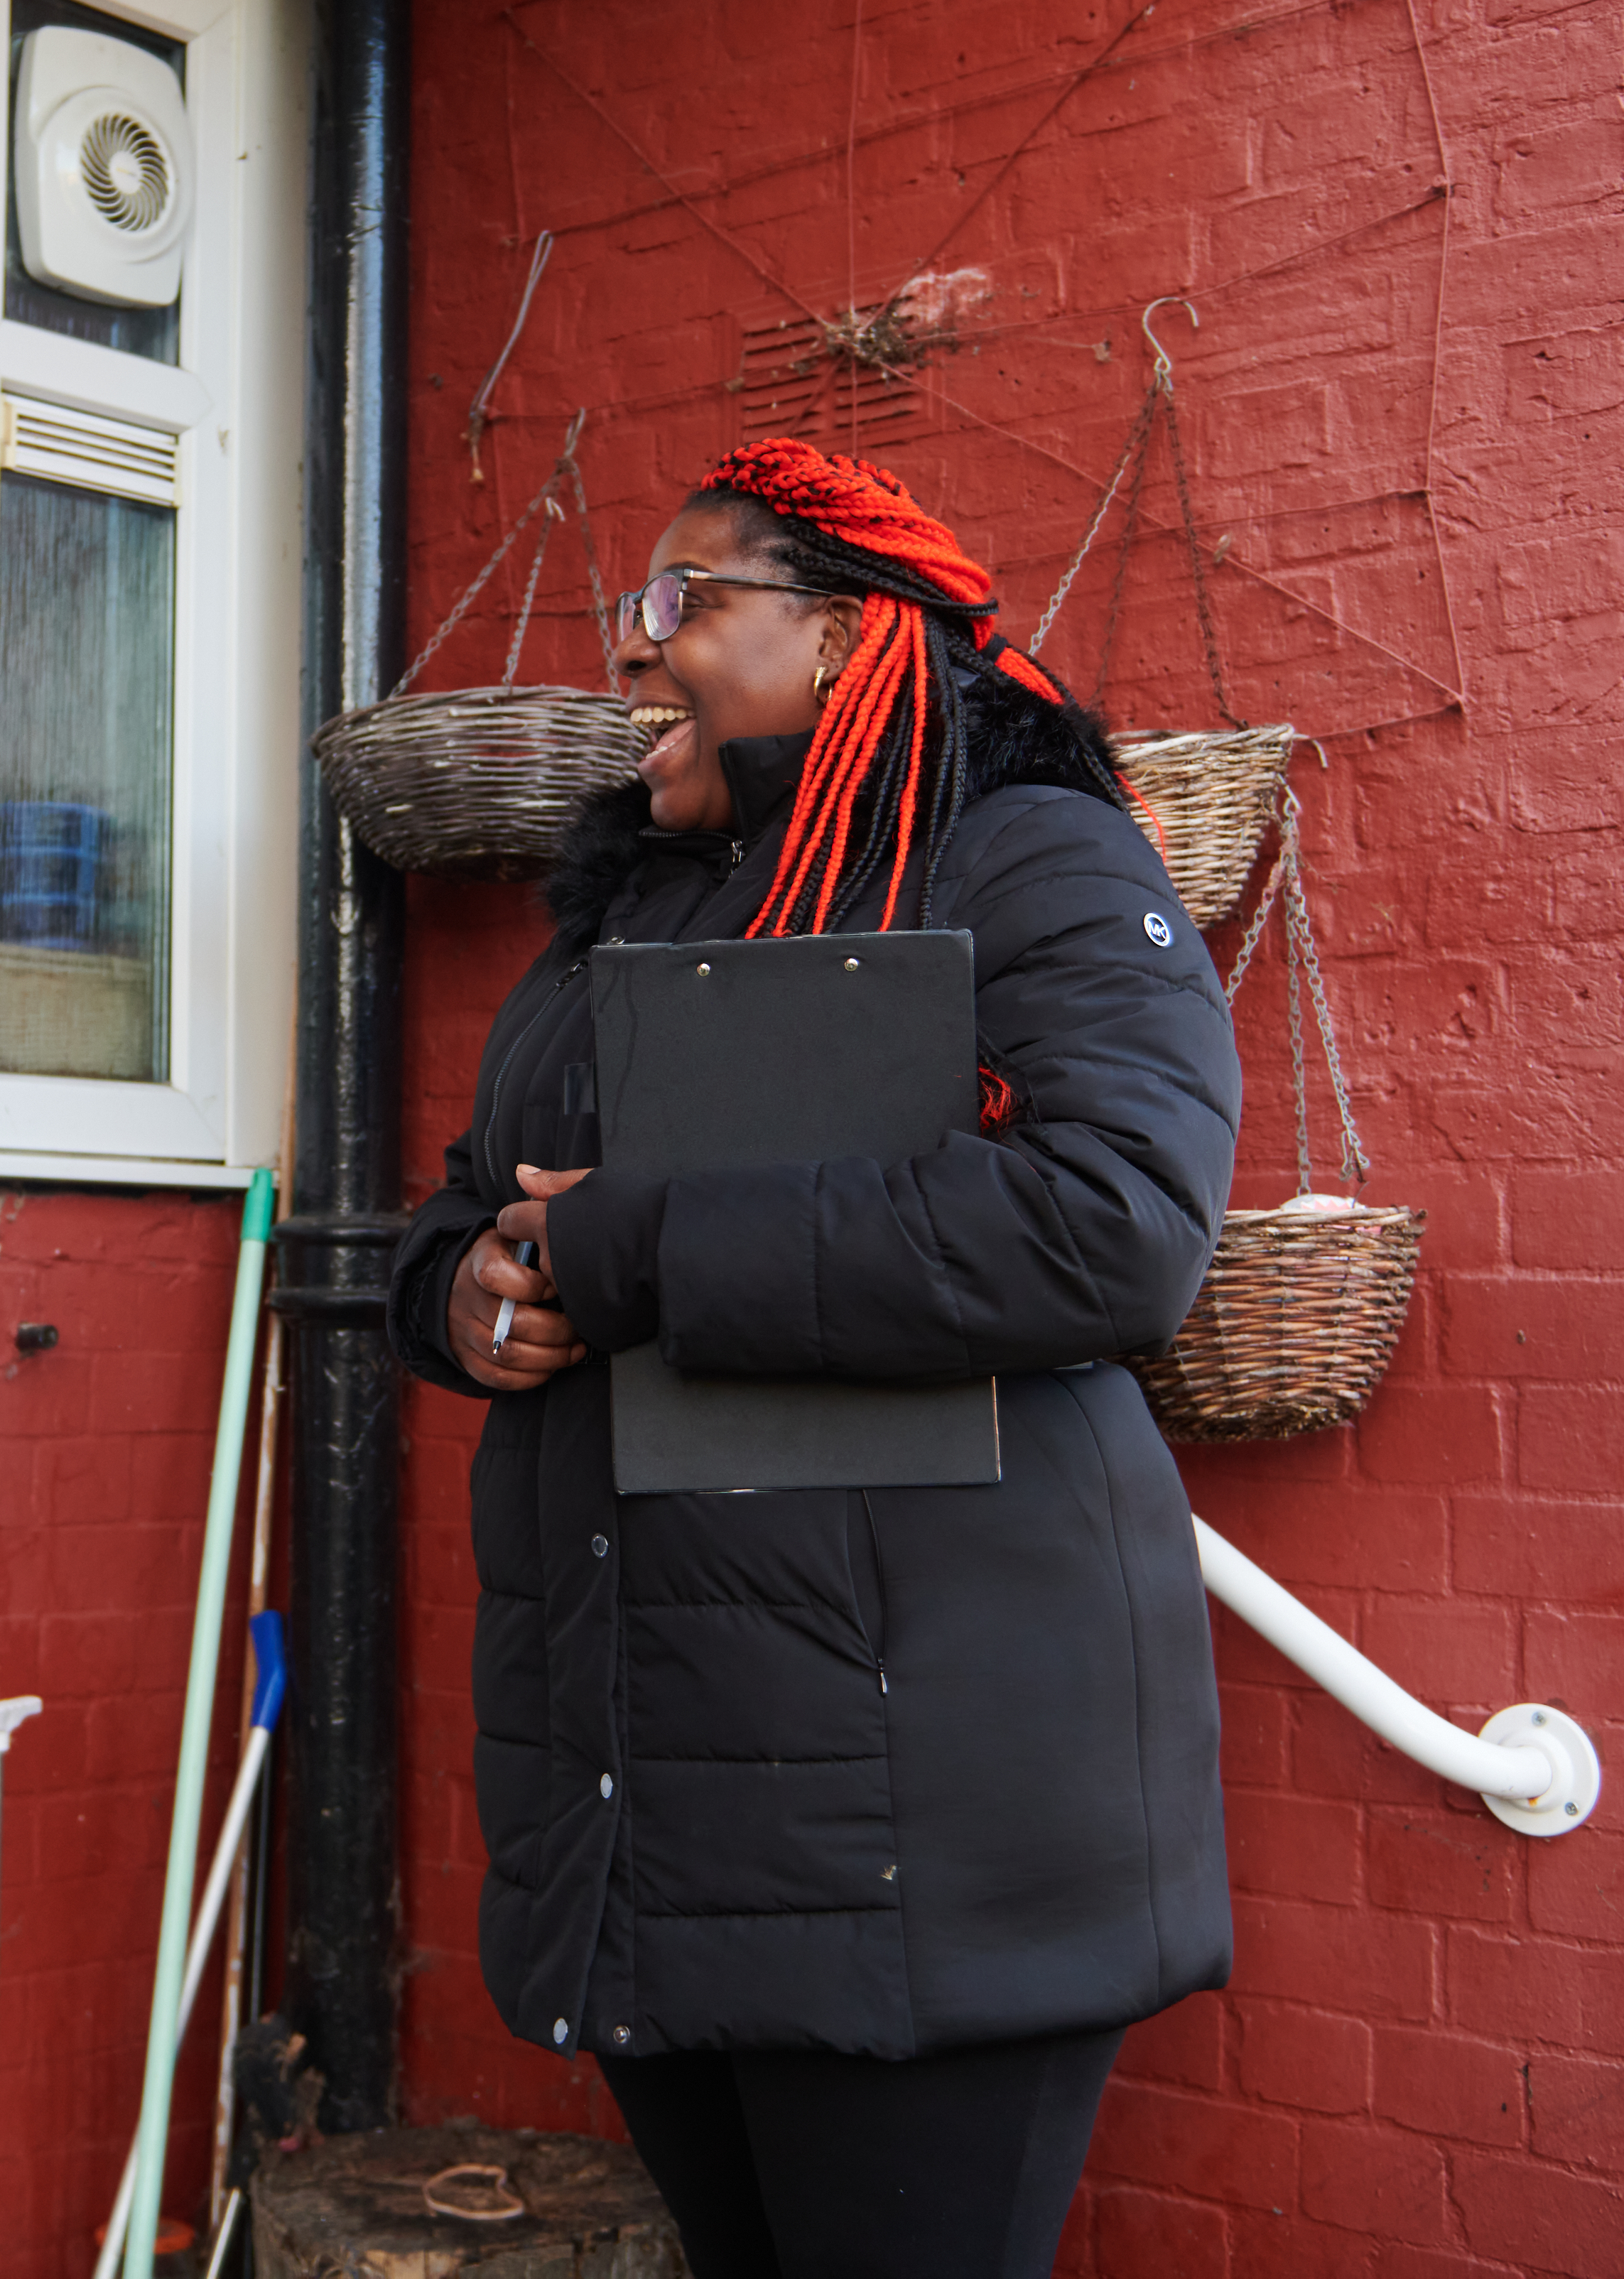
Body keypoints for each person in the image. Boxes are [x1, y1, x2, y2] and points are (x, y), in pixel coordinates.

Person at [384, 435, 1243, 2279]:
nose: (631, 652)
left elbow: (1112, 1223)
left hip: (914, 1825)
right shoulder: (618, 917)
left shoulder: (1030, 858)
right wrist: (463, 1297)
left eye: (678, 603)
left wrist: (631, 1254)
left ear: (850, 644)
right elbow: (473, 1208)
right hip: (654, 1804)